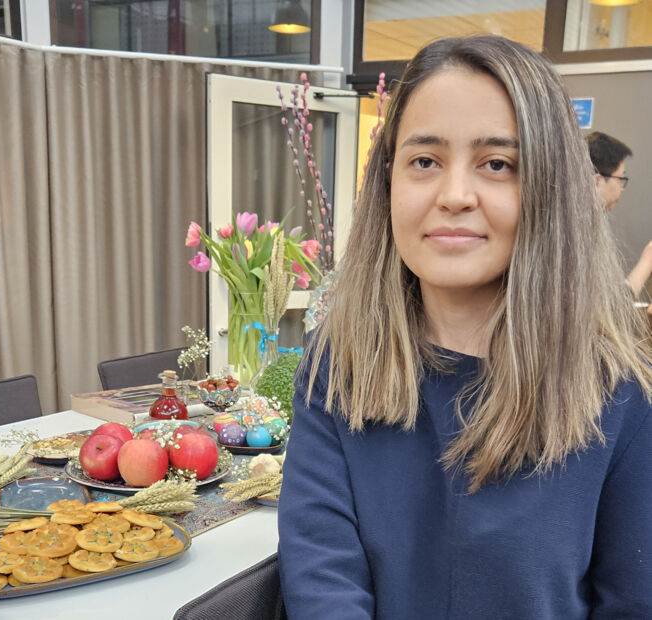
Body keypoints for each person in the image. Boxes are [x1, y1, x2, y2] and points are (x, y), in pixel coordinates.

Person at [277, 35, 652, 619]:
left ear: (551, 190)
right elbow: (322, 578)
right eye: (424, 161)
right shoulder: (337, 364)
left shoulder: (622, 392)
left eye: (497, 164)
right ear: (388, 183)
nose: (454, 195)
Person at [586, 131, 652, 313]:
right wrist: (647, 261)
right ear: (596, 182)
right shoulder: (579, 238)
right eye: (621, 178)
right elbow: (611, 311)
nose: (622, 189)